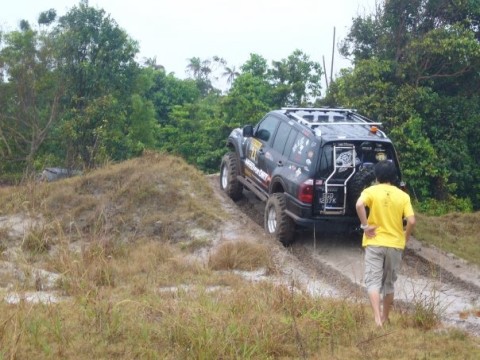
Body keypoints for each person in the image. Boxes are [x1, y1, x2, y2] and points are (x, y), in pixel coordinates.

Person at [356, 160, 416, 327]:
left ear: (377, 176)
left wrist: (365, 226)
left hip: (374, 241)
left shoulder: (371, 191)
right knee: (389, 283)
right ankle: (384, 317)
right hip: (395, 244)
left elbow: (359, 204)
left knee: (373, 282)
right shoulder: (403, 196)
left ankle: (376, 319)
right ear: (394, 177)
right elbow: (411, 220)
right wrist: (406, 236)